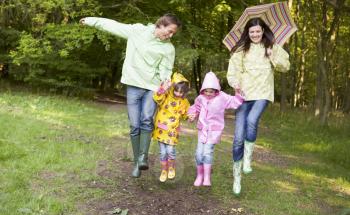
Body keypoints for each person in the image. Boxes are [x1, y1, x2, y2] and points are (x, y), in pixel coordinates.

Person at [79, 14, 182, 178]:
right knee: (134, 125)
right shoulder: (137, 31)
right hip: (133, 84)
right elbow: (114, 25)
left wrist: (165, 81)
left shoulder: (168, 48)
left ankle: (143, 157)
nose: (170, 36)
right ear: (161, 25)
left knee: (146, 119)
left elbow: (166, 69)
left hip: (152, 87)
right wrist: (91, 21)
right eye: (169, 31)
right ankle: (136, 162)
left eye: (172, 34)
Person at [226, 17, 290, 195]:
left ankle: (247, 160)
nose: (255, 34)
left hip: (263, 93)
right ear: (247, 32)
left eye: (258, 31)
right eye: (251, 31)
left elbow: (285, 66)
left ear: (263, 31)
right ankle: (237, 178)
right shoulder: (240, 51)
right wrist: (236, 84)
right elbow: (233, 72)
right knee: (238, 138)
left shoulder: (273, 47)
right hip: (243, 95)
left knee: (252, 120)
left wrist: (272, 57)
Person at [188, 72, 244, 187]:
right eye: (206, 91)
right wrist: (192, 115)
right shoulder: (200, 98)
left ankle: (207, 177)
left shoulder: (222, 97)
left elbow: (234, 101)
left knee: (207, 153)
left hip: (214, 131)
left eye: (211, 91)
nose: (208, 94)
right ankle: (200, 175)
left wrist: (238, 92)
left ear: (216, 90)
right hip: (202, 130)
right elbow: (194, 108)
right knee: (199, 154)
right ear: (203, 90)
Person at [152, 72, 190, 182]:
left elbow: (185, 115)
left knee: (170, 151)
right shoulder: (166, 96)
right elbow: (156, 97)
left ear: (184, 92)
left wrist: (190, 116)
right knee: (163, 153)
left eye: (181, 92)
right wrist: (163, 88)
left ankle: (171, 168)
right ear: (172, 88)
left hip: (173, 130)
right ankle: (164, 170)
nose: (178, 93)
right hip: (161, 129)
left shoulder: (184, 102)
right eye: (176, 90)